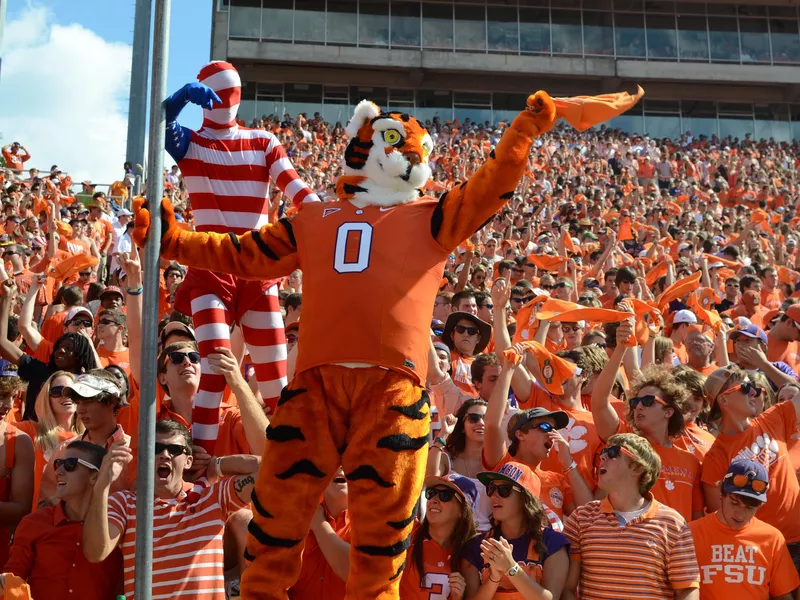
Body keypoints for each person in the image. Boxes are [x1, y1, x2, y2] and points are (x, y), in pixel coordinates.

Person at [82, 419, 260, 599]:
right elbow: (96, 552)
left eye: (174, 450)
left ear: (188, 461)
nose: (165, 455)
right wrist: (102, 485)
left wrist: (216, 465)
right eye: (155, 448)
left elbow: (269, 467)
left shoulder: (211, 497)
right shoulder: (125, 503)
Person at [563, 433, 701, 600]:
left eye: (613, 452)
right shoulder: (580, 518)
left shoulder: (673, 523)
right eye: (603, 451)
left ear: (637, 468)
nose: (603, 456)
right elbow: (567, 589)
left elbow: (687, 590)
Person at [592, 320, 705, 522]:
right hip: (635, 547)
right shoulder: (625, 444)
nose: (638, 406)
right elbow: (599, 402)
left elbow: (695, 518)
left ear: (669, 412)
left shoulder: (690, 461)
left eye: (648, 401)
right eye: (635, 401)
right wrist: (620, 349)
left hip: (676, 549)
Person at [701, 368, 800, 570]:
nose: (754, 392)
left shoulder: (774, 417)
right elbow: (723, 520)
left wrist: (762, 363)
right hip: (761, 551)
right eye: (746, 387)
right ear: (724, 400)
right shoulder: (715, 458)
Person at [2, 441, 123, 600]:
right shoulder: (33, 523)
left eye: (70, 464)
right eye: (58, 463)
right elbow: (12, 580)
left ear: (95, 476)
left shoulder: (116, 527)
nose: (58, 471)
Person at [690, 459, 800, 600]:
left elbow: (784, 596)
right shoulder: (691, 533)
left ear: (760, 505)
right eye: (734, 503)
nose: (740, 515)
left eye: (750, 507)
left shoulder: (772, 538)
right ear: (721, 493)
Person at [462, 461, 570, 598]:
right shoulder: (476, 546)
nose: (494, 496)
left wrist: (510, 568)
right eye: (491, 488)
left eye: (504, 490)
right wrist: (494, 578)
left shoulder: (553, 542)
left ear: (526, 498)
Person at [39, 371, 132, 502]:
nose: (80, 409)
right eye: (78, 402)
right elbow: (45, 506)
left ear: (112, 400)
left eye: (88, 401)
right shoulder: (63, 450)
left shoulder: (134, 450)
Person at [400, 474, 476, 600]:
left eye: (445, 495)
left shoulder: (466, 555)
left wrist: (458, 598)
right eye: (431, 493)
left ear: (462, 511)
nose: (434, 500)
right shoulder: (408, 531)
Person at [13, 372, 82, 509]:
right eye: (57, 391)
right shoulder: (28, 431)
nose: (66, 396)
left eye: (71, 391)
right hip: (34, 521)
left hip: (73, 522)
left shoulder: (87, 438)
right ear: (47, 398)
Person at [428, 399, 493, 530]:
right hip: (453, 535)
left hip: (486, 539)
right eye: (473, 418)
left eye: (486, 418)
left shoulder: (497, 462)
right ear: (462, 427)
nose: (481, 423)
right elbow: (430, 477)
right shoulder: (448, 459)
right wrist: (443, 434)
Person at [289, 469, 351, 600]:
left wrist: (318, 523)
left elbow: (356, 571)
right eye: (336, 458)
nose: (341, 466)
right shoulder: (295, 517)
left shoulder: (375, 522)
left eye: (349, 458)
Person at [441, 311, 492, 395]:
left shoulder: (485, 365)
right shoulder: (443, 357)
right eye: (460, 329)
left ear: (478, 339)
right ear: (452, 335)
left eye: (472, 331)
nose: (465, 334)